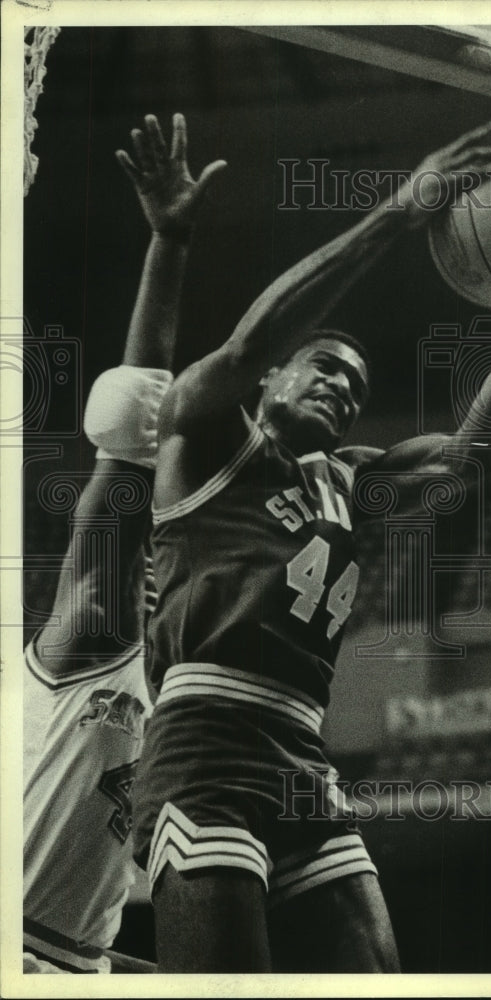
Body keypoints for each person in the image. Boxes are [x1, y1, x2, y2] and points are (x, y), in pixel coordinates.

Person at [130, 111, 491, 973]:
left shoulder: (351, 481)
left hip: (300, 753)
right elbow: (251, 340)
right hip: (204, 744)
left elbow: (467, 457)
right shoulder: (211, 437)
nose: (344, 389)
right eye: (325, 367)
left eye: (358, 386)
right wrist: (403, 210)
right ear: (276, 381)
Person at [22, 113, 225, 974]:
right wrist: (170, 242)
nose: (161, 575)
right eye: (153, 558)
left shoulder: (180, 693)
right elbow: (131, 425)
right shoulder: (98, 635)